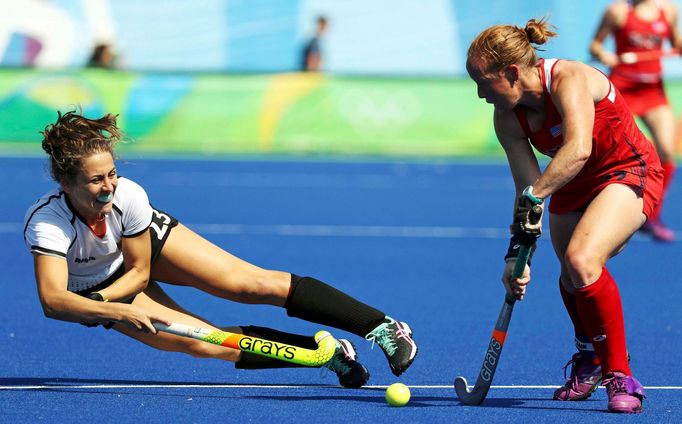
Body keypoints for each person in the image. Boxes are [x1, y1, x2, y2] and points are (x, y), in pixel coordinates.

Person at [23, 110, 418, 388]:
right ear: (65, 183)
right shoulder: (47, 224)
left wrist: (106, 304)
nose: (108, 186)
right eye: (95, 180)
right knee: (203, 341)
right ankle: (325, 353)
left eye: (112, 174)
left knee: (247, 284)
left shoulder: (127, 196)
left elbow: (140, 272)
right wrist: (107, 306)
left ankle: (384, 328)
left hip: (139, 254)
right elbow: (53, 301)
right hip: (101, 284)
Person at [466, 18, 663, 414]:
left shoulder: (568, 78)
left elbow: (577, 150)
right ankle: (589, 355)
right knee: (571, 277)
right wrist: (515, 257)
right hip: (571, 184)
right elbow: (527, 187)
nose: (480, 94)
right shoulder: (507, 117)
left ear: (510, 72)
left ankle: (620, 375)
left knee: (582, 260)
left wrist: (536, 196)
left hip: (628, 170)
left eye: (483, 82)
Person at [590, 0, 681, 242]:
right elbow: (595, 46)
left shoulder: (668, 11)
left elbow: (677, 44)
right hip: (622, 90)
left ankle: (651, 216)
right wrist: (604, 55)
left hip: (653, 90)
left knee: (666, 152)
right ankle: (594, 207)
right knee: (608, 151)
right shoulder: (618, 12)